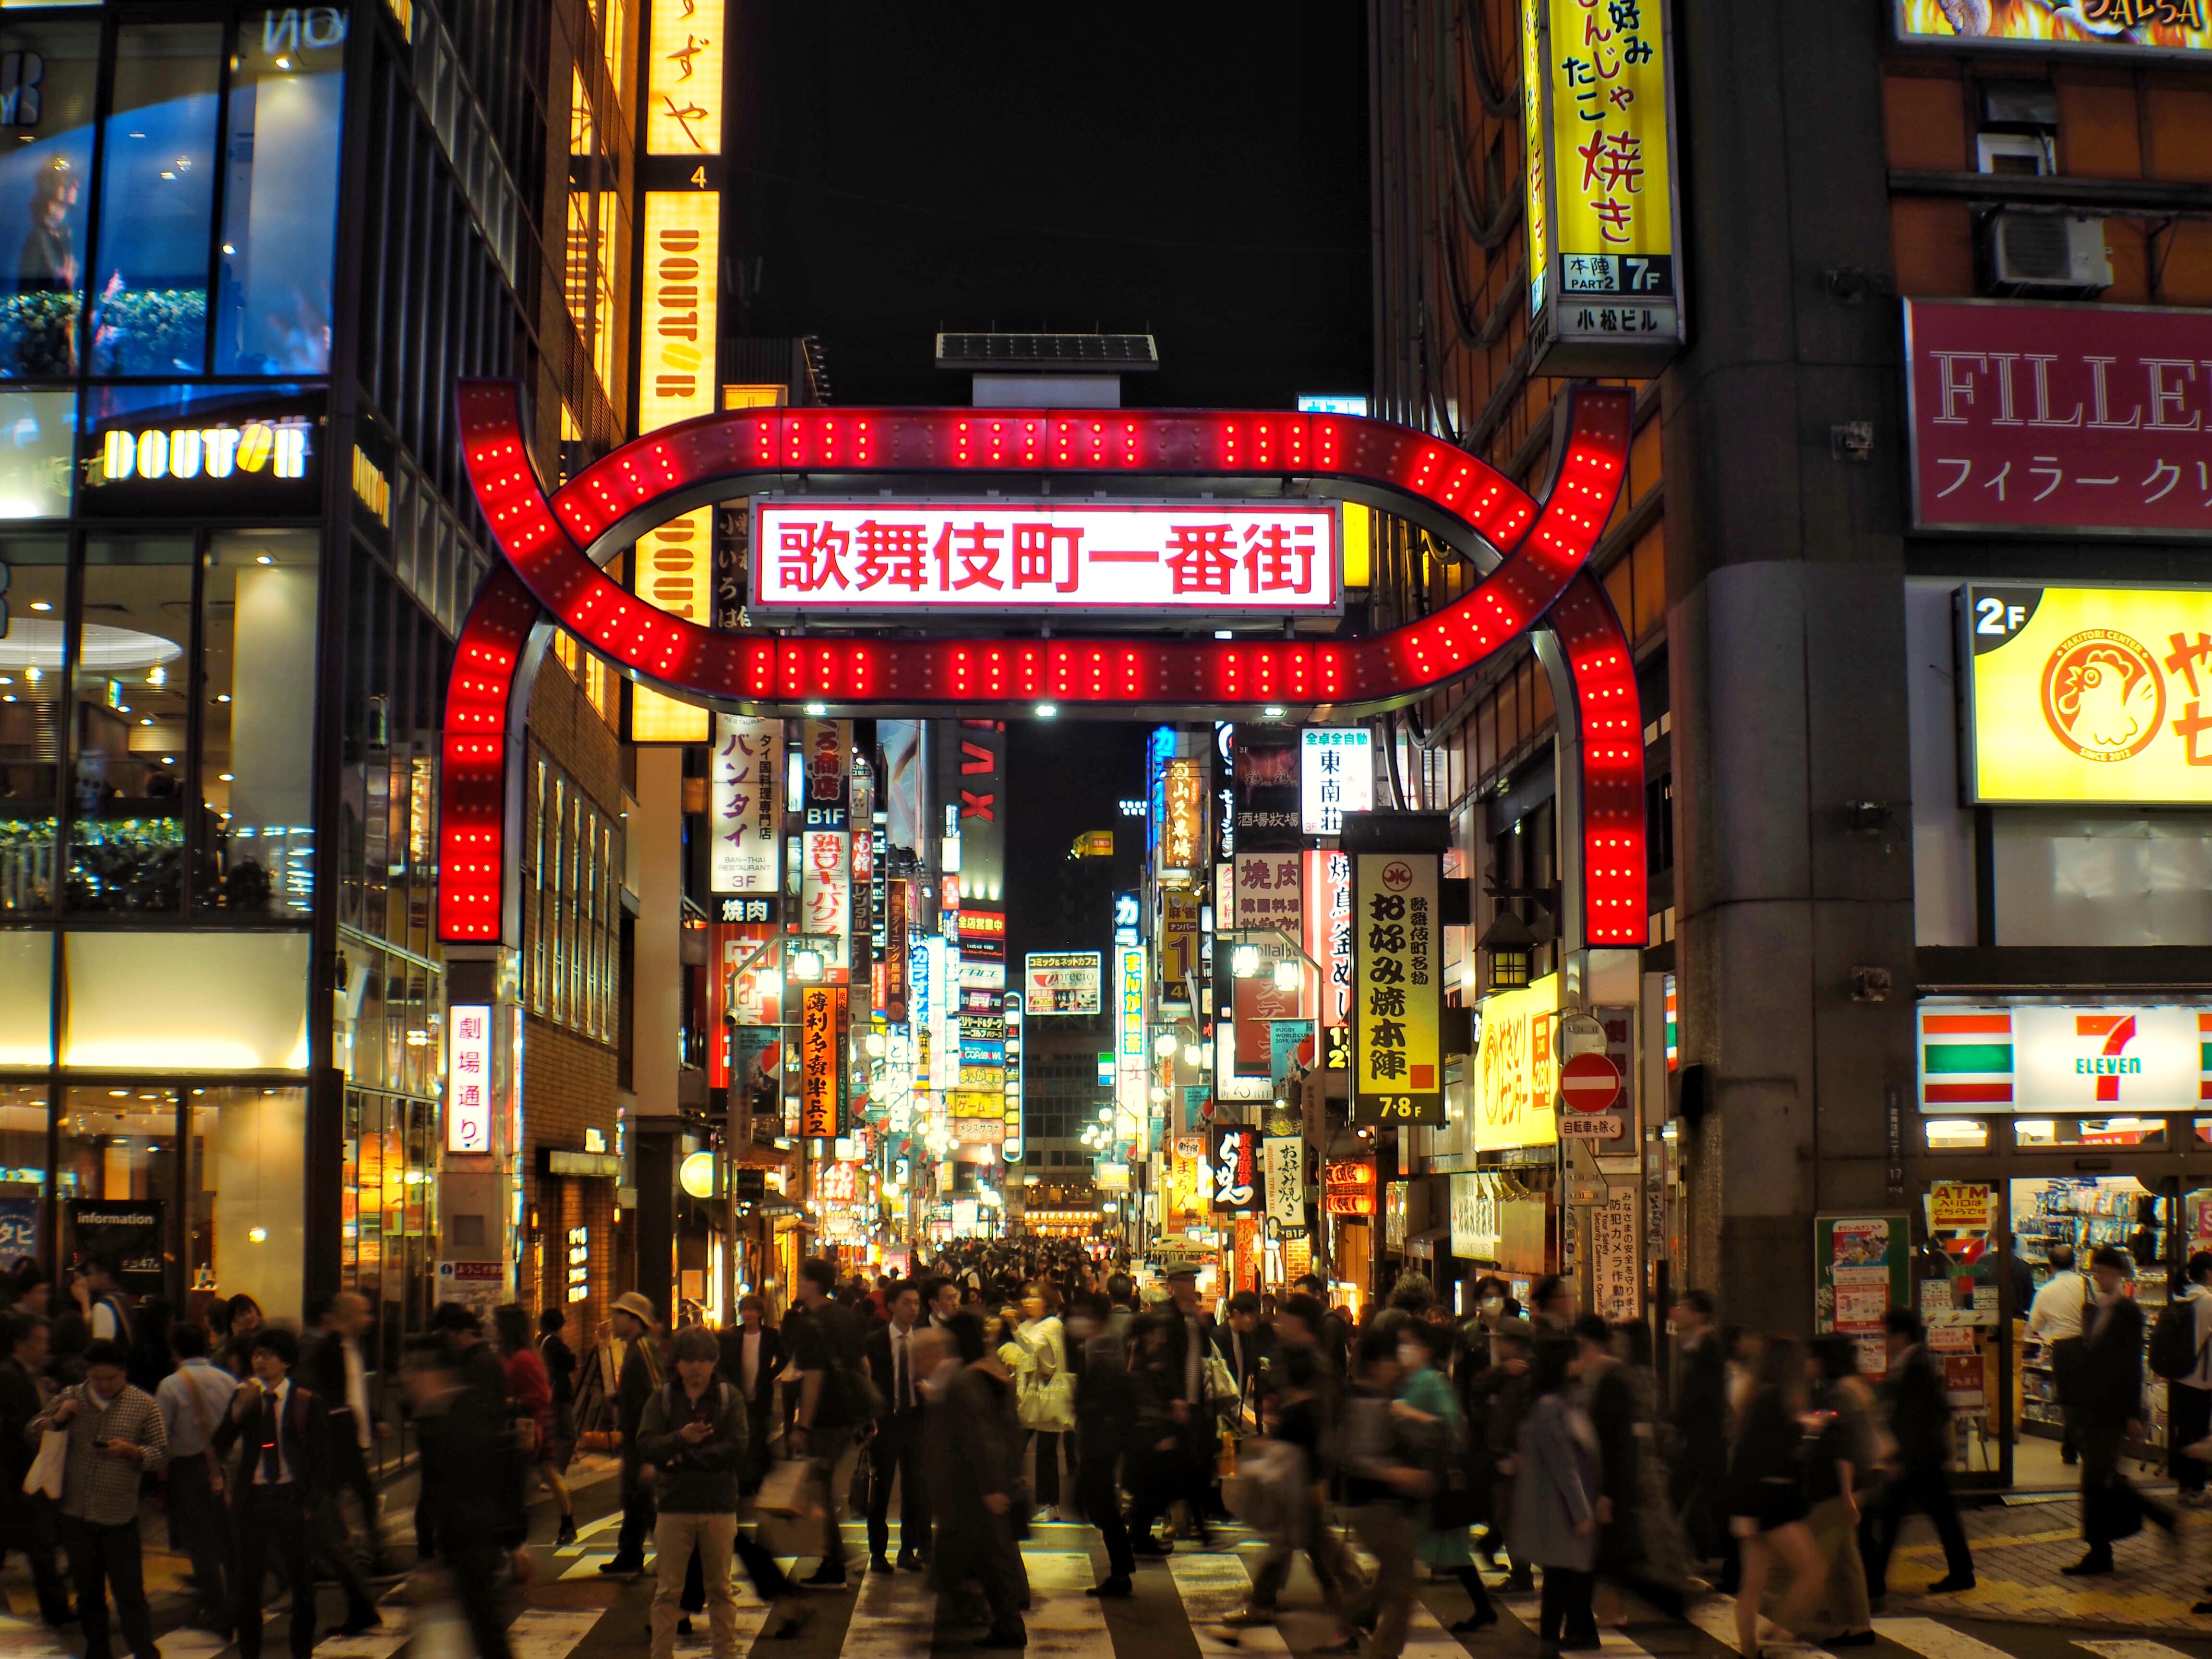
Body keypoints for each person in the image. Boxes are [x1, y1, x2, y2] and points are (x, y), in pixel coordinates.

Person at [215, 1328, 380, 1659]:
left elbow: (322, 1458)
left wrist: (310, 1503)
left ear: (286, 1361)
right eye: (257, 1354)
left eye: (269, 1354)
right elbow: (219, 1445)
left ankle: (300, 1653)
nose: (261, 1361)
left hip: (292, 1497)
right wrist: (235, 1413)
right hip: (254, 1498)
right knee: (249, 1587)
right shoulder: (245, 1397)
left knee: (303, 1587)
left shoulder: (306, 1401)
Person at [1225, 1293, 1358, 1641]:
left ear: (1302, 1324)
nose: (1281, 1324)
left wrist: (1317, 1477)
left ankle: (1350, 1598)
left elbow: (1322, 1421)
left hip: (1304, 1465)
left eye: (1287, 1319)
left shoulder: (1316, 1363)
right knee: (1305, 1540)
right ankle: (1348, 1595)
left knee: (1300, 1540)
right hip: (1290, 1461)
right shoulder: (1290, 1356)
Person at [32, 1338, 168, 1659]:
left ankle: (143, 1652)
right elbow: (33, 1430)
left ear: (124, 1373)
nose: (104, 1385)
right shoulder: (72, 1396)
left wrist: (131, 1452)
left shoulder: (144, 1404)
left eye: (112, 1378)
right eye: (97, 1378)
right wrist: (59, 1419)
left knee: (130, 1594)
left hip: (119, 1514)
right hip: (76, 1512)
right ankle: (97, 1652)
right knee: (88, 1593)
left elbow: (161, 1453)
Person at [404, 1337, 531, 1659]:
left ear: (435, 1375)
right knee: (483, 1632)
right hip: (473, 1540)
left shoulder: (446, 1421)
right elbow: (509, 1472)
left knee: (484, 1632)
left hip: (472, 1541)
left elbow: (442, 1489)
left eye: (413, 1375)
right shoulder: (453, 1413)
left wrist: (515, 1542)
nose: (408, 1384)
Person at [637, 1326, 747, 1659]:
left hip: (719, 1505)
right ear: (678, 1364)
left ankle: (724, 1654)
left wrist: (683, 1457)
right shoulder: (664, 1399)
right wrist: (681, 1438)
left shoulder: (730, 1399)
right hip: (674, 1506)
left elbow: (738, 1448)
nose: (696, 1368)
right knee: (668, 1591)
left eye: (703, 1360)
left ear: (714, 1362)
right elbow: (645, 1444)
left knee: (720, 1590)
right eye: (689, 1360)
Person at [2065, 1245, 2175, 1575]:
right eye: (2094, 1269)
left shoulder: (2127, 1312)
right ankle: (2147, 1524)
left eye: (2100, 1269)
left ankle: (2101, 1551)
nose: (2096, 1274)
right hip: (2095, 1406)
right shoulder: (2098, 1307)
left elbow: (2130, 1365)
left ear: (2116, 1272)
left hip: (2113, 1409)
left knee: (2097, 1478)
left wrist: (2132, 1414)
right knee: (2102, 1477)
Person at [925, 1312, 1027, 1650]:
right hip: (989, 1481)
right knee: (992, 1552)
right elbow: (1006, 1430)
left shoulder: (967, 1381)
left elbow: (981, 1437)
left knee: (988, 1554)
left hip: (975, 1486)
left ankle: (1006, 1622)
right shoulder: (991, 1372)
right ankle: (998, 1614)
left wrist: (991, 1487)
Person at [1861, 1306, 1975, 1597]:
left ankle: (1876, 1581)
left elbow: (1925, 1416)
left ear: (1901, 1335)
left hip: (1919, 1459)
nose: (1884, 1341)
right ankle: (1960, 1572)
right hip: (1921, 1458)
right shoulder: (1912, 1362)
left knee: (1901, 1517)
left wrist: (1901, 1457)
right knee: (1925, 1516)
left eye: (1887, 1334)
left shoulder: (1918, 1366)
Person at [1724, 1335, 1822, 1659]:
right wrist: (1803, 1430)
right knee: (1813, 1570)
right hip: (1771, 1500)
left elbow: (1745, 1453)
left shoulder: (1756, 1398)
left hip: (1751, 1500)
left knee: (1753, 1582)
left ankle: (1751, 1650)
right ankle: (1775, 1632)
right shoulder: (1775, 1400)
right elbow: (1766, 1453)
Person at [1339, 1328, 1427, 1659]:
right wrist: (1397, 1473)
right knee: (1403, 1588)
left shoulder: (1379, 1396)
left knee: (1391, 1581)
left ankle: (1343, 1613)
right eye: (1393, 1360)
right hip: (1373, 1505)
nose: (1398, 1366)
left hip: (1382, 1504)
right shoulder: (1367, 1400)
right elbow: (1358, 1456)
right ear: (1377, 1365)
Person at [1402, 1320, 1494, 1633]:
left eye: (1409, 1343)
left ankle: (1377, 1613)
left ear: (1425, 1350)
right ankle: (1483, 1609)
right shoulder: (1418, 1379)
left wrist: (1409, 1414)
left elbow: (1450, 1422)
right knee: (1448, 1554)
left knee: (1412, 1551)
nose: (1404, 1350)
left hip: (1435, 1480)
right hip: (1424, 1478)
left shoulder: (1431, 1381)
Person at [1514, 1338, 1599, 1658]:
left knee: (1559, 1578)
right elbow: (1563, 1463)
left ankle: (1555, 1641)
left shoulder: (1560, 1402)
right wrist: (1581, 1511)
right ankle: (1549, 1645)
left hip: (1560, 1505)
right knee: (1559, 1578)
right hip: (1559, 1508)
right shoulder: (1552, 1407)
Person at [785, 1257, 867, 1587]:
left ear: (812, 1284)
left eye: (801, 1279)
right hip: (848, 1414)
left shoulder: (811, 1322)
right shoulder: (846, 1317)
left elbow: (813, 1377)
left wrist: (802, 1427)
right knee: (825, 1484)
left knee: (820, 1488)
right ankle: (834, 1558)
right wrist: (865, 1412)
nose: (798, 1284)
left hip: (825, 1417)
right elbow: (863, 1364)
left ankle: (833, 1564)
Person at [154, 1322, 238, 1635]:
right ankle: (236, 1602)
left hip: (189, 1469)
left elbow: (162, 1435)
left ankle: (214, 1605)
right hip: (226, 1465)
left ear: (175, 1350)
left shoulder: (171, 1385)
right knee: (227, 1536)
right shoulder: (228, 1379)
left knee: (199, 1540)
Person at [306, 1290, 389, 1573]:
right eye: (364, 1313)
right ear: (348, 1316)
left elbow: (357, 1391)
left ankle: (337, 1552)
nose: (369, 1319)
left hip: (350, 1435)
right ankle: (352, 1554)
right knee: (353, 1495)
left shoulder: (353, 1347)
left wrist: (374, 1419)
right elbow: (330, 1396)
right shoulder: (330, 1350)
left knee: (342, 1496)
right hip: (339, 1438)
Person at [1803, 1336, 1875, 1647]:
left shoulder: (1839, 1395)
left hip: (1839, 1487)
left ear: (1825, 1361)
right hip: (1850, 1484)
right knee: (1846, 1556)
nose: (1808, 1364)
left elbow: (1843, 1445)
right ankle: (1855, 1623)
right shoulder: (1849, 1389)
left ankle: (1791, 1620)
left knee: (1819, 1556)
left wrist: (1846, 1494)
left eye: (1813, 1358)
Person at [0, 1313, 70, 1626]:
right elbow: (18, 1427)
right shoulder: (9, 1376)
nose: (46, 1348)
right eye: (39, 1341)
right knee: (39, 1544)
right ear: (22, 1344)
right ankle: (56, 1613)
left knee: (38, 1544)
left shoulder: (31, 1375)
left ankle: (55, 1611)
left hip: (30, 1474)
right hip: (18, 1475)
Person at [1069, 1293, 1136, 1597]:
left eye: (1082, 1315)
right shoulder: (1094, 1348)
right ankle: (1122, 1571)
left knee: (1103, 1508)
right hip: (1099, 1441)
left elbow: (1115, 1401)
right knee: (1101, 1506)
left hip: (1102, 1442)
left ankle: (1122, 1573)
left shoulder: (1105, 1352)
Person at [862, 1281, 932, 1572]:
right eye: (907, 1302)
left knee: (915, 1489)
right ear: (891, 1306)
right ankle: (878, 1552)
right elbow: (865, 1384)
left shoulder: (927, 1341)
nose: (913, 1308)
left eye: (916, 1303)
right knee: (881, 1489)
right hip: (885, 1422)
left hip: (916, 1420)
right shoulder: (874, 1342)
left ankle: (908, 1549)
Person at [495, 1303, 575, 1545]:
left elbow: (541, 1396)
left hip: (531, 1425)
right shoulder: (517, 1355)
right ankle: (566, 1523)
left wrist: (513, 1401)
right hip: (529, 1423)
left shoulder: (524, 1358)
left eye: (497, 1325)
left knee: (541, 1474)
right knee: (546, 1473)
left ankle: (562, 1524)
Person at [598, 1291, 664, 1576]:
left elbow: (658, 1393)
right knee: (634, 1498)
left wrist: (654, 1448)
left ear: (633, 1319)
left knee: (645, 1500)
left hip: (644, 1439)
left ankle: (677, 1557)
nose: (614, 1320)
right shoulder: (635, 1348)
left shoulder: (645, 1349)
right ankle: (630, 1554)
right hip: (635, 1436)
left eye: (618, 1315)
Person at [1669, 1289, 1729, 1563]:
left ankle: (1706, 1554)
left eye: (1684, 1307)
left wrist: (1679, 1421)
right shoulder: (1691, 1346)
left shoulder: (1709, 1348)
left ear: (1700, 1315)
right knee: (1699, 1494)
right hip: (1698, 1436)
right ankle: (1705, 1553)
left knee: (1694, 1494)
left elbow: (1707, 1395)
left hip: (1705, 1436)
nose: (1678, 1312)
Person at [1010, 1280, 1075, 1517]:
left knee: (1046, 1450)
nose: (1028, 1302)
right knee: (1015, 1445)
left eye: (1034, 1297)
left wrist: (1013, 1328)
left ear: (1046, 1302)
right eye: (1025, 1297)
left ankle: (1050, 1504)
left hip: (1048, 1393)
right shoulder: (1026, 1325)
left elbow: (1034, 1351)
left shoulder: (1052, 1324)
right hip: (1025, 1395)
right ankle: (1015, 1496)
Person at [2028, 1243, 2090, 1467]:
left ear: (2051, 1266)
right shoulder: (2087, 1284)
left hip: (2063, 1348)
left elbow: (2034, 1325)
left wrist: (2049, 1332)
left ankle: (2080, 1451)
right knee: (2085, 1399)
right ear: (2074, 1263)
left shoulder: (2045, 1292)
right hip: (2088, 1346)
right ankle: (2071, 1449)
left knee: (2069, 1401)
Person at [719, 1294, 784, 1494]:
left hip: (761, 1390)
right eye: (744, 1310)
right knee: (742, 1433)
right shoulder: (733, 1335)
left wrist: (770, 1374)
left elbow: (784, 1358)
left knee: (758, 1433)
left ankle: (758, 1476)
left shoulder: (771, 1335)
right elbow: (724, 1362)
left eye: (752, 1310)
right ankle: (745, 1477)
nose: (747, 1314)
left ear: (759, 1313)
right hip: (738, 1389)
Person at [2167, 1250, 2212, 1504]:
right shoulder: (2207, 1300)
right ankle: (2197, 1488)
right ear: (2207, 1273)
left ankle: (2184, 1486)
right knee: (2198, 1434)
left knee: (2184, 1433)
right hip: (2201, 1379)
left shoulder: (2182, 1297)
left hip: (2181, 1375)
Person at [537, 1307, 579, 1491]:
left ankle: (546, 1476)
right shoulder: (555, 1343)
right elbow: (570, 1363)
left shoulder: (538, 1341)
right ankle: (555, 1476)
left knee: (550, 1436)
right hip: (559, 1395)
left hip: (543, 1395)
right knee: (569, 1436)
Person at [1210, 1291, 1273, 1413]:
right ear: (1236, 1314)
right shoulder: (1218, 1336)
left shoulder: (1245, 1336)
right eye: (1252, 1316)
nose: (1254, 1321)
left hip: (1238, 1404)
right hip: (1222, 1405)